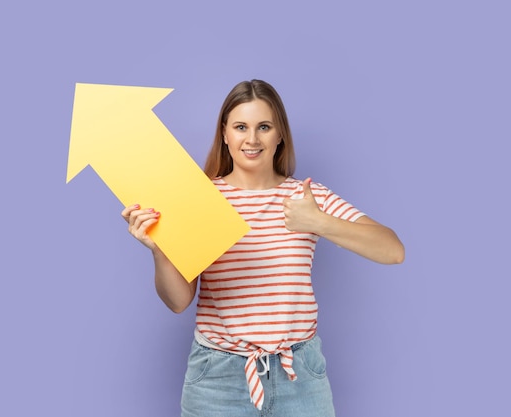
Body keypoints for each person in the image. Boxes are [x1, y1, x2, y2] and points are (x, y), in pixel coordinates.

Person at [121, 79, 404, 417]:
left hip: (299, 375)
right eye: (241, 127)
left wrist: (319, 222)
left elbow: (393, 251)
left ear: (280, 134)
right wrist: (160, 251)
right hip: (217, 380)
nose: (252, 139)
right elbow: (179, 301)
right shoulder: (199, 200)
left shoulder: (307, 198)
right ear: (225, 133)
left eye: (264, 127)